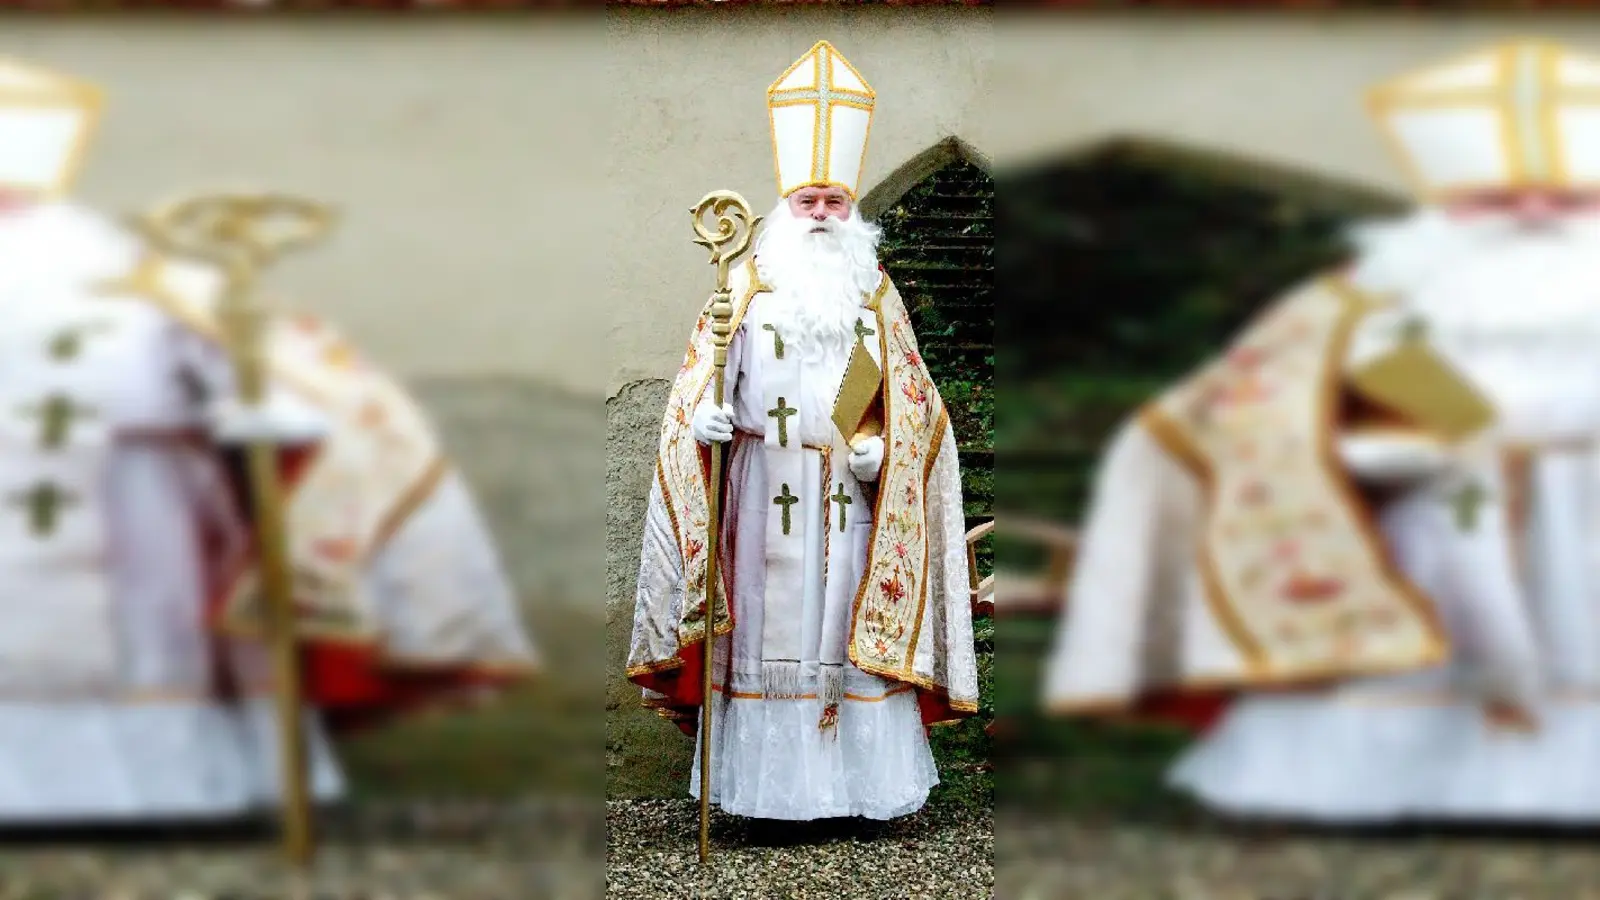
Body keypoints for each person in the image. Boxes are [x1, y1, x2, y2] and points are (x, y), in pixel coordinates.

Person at [1043, 38, 1600, 823]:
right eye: (1498, 200)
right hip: (1433, 512)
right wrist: (1345, 458)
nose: (1534, 217)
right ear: (1445, 205)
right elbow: (1233, 406)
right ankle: (1397, 782)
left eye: (1566, 199)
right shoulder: (1367, 298)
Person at [0, 57, 537, 823]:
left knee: (144, 640)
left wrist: (260, 415)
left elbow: (241, 363)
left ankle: (165, 790)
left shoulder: (125, 266)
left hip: (132, 491)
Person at [626, 40, 978, 822]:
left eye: (836, 203)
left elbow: (918, 403)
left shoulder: (873, 293)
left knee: (843, 643)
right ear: (785, 206)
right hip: (761, 499)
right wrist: (704, 422)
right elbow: (694, 391)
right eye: (809, 201)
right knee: (769, 636)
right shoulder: (744, 286)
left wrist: (886, 447)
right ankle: (764, 799)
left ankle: (855, 794)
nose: (822, 215)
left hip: (850, 503)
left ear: (853, 211)